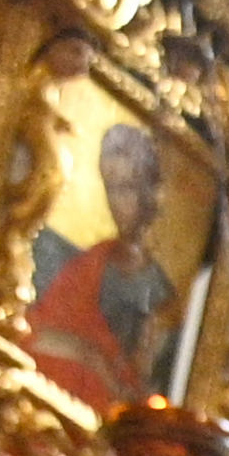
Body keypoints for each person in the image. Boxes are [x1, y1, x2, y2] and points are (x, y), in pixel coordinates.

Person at [24, 117, 186, 412]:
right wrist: (88, 353)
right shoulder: (90, 264)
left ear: (151, 191)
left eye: (127, 188)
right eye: (111, 188)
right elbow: (33, 331)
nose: (116, 202)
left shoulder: (165, 301)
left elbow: (141, 390)